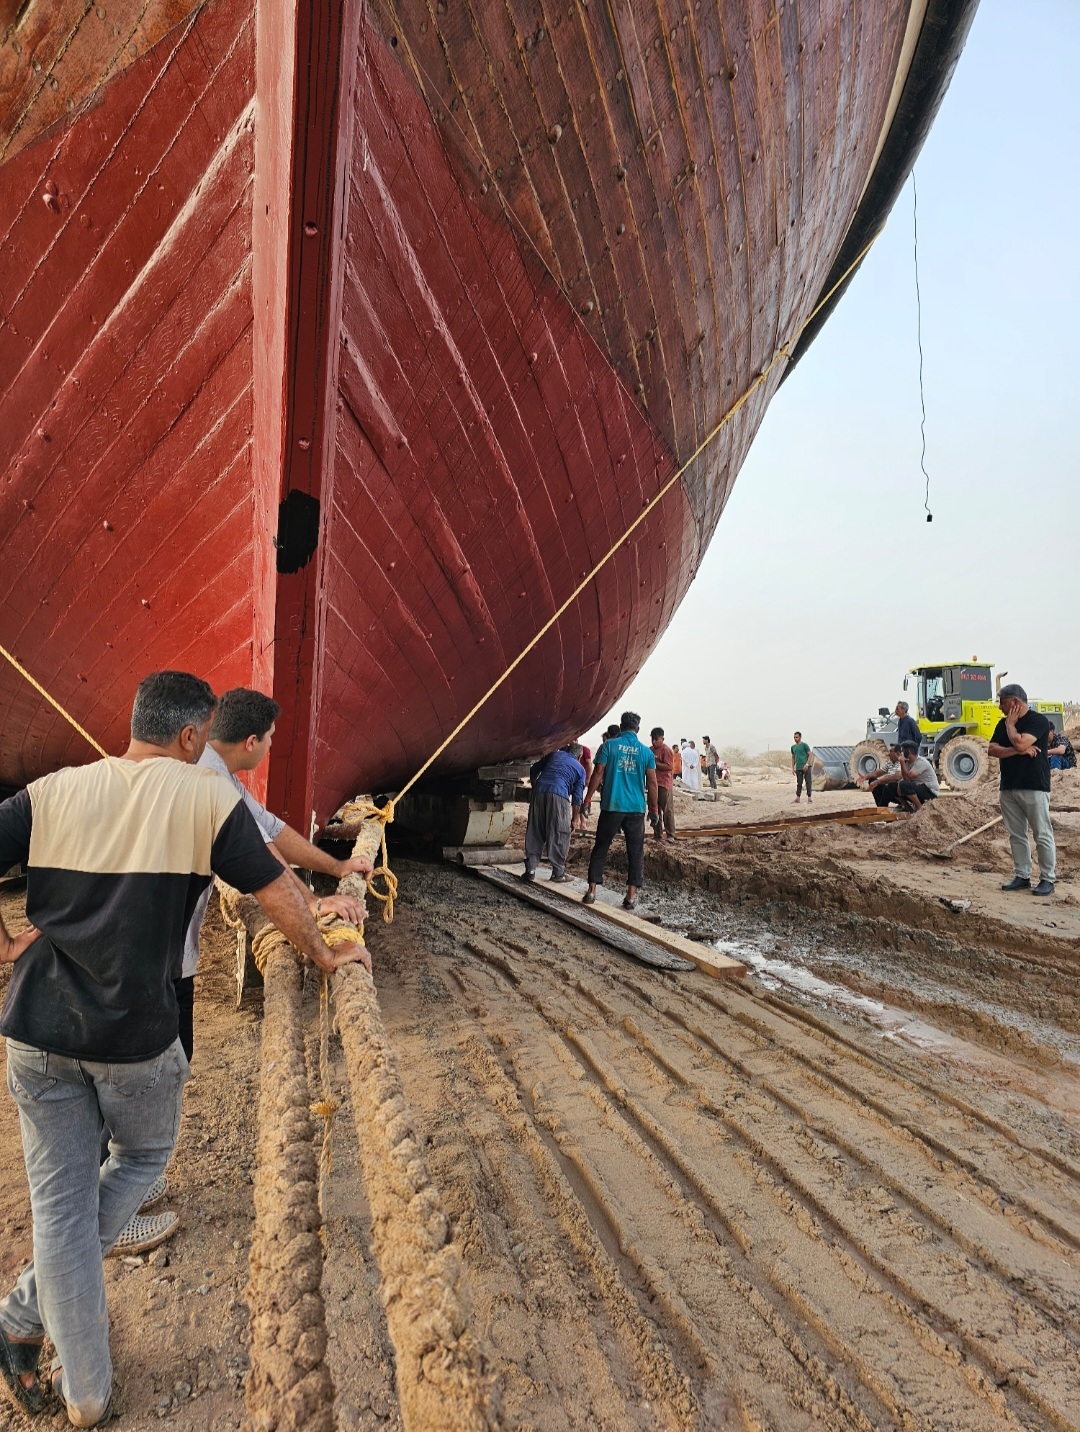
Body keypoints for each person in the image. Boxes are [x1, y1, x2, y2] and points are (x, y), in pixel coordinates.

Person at [0, 672, 366, 1426]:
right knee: (137, 1160)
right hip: (132, 1034)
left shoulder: (53, 788)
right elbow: (273, 888)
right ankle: (27, 1320)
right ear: (193, 737)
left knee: (60, 1204)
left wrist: (5, 943)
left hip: (34, 1028)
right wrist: (327, 956)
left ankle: (81, 1387)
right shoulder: (206, 797)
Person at [582, 712, 658, 910]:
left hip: (612, 806)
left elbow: (598, 772)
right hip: (635, 808)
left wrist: (588, 798)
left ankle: (591, 891)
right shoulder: (646, 752)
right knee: (635, 852)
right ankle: (631, 896)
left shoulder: (609, 746)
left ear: (621, 726)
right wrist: (654, 808)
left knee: (601, 847)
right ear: (638, 730)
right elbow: (652, 782)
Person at [988, 683, 1055, 896]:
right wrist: (1017, 751)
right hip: (1009, 786)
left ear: (1015, 702)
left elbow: (1021, 742)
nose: (1000, 707)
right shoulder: (1001, 722)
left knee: (1041, 834)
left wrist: (1011, 728)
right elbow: (992, 749)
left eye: (1002, 702)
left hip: (1034, 785)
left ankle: (1047, 879)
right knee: (1016, 835)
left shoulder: (1038, 721)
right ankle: (1022, 875)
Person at [524, 744, 585, 881]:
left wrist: (536, 788)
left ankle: (530, 870)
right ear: (579, 756)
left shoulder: (554, 754)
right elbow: (577, 798)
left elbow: (533, 770)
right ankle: (558, 873)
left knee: (535, 830)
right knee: (559, 832)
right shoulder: (580, 769)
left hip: (539, 791)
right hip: (559, 794)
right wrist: (574, 820)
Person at [896, 742, 939, 811]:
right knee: (893, 786)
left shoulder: (921, 762)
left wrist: (902, 762)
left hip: (930, 793)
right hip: (919, 788)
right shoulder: (907, 762)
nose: (901, 754)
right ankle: (908, 808)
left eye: (903, 751)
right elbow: (904, 777)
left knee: (904, 784)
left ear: (908, 752)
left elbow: (909, 777)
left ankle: (920, 808)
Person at [650, 728, 676, 842]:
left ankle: (670, 834)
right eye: (652, 739)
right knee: (654, 810)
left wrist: (654, 763)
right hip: (653, 784)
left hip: (664, 784)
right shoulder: (650, 750)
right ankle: (657, 835)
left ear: (662, 739)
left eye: (656, 739)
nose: (654, 742)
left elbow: (669, 767)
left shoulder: (666, 750)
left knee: (667, 810)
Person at [790, 731, 814, 803]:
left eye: (796, 737)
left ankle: (809, 798)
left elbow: (810, 754)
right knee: (799, 783)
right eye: (794, 737)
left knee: (808, 782)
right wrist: (793, 768)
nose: (795, 738)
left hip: (806, 767)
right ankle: (798, 798)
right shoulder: (793, 747)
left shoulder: (804, 745)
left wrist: (807, 764)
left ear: (800, 737)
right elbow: (793, 757)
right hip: (798, 767)